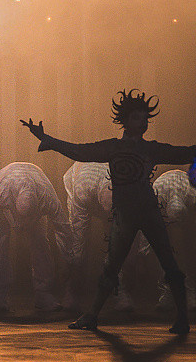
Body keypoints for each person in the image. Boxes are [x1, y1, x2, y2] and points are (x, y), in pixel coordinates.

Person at [22, 89, 196, 334]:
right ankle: (92, 315)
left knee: (168, 262)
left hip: (147, 211)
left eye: (146, 118)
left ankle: (181, 319)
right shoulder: (114, 148)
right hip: (125, 215)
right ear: (125, 121)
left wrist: (49, 140)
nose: (143, 123)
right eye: (138, 118)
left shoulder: (150, 149)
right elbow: (80, 151)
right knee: (112, 267)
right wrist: (48, 139)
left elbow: (186, 152)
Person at [0, 162, 73, 313]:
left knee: (40, 241)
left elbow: (63, 227)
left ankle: (43, 294)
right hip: (5, 181)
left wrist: (69, 260)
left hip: (34, 179)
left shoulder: (47, 196)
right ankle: (0, 295)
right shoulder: (2, 192)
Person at [63, 162, 136, 312]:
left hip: (107, 197)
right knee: (78, 246)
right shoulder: (82, 190)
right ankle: (72, 293)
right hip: (77, 183)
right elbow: (78, 234)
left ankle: (119, 292)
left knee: (116, 245)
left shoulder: (124, 187)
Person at [150, 170, 196, 311]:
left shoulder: (192, 192)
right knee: (165, 252)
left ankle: (190, 291)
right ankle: (168, 291)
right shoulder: (157, 192)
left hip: (188, 216)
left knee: (187, 250)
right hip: (163, 216)